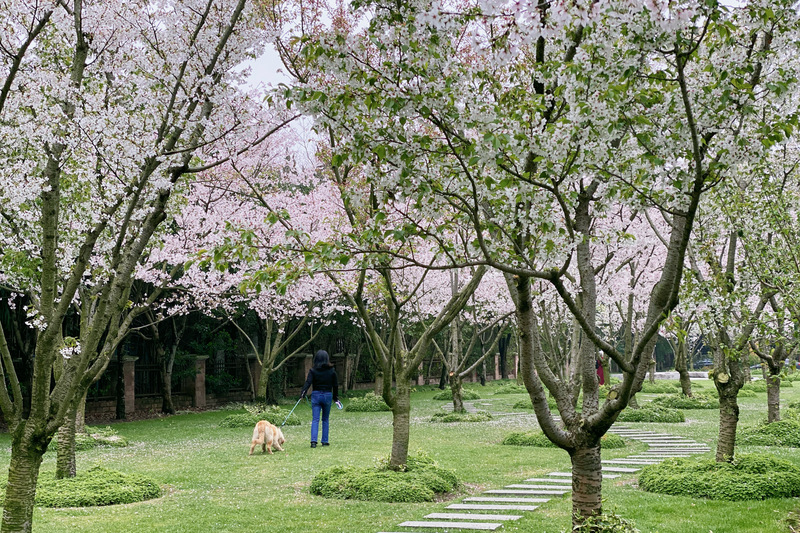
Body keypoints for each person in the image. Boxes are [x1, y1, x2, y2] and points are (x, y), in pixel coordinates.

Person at [300, 350, 341, 448]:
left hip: (316, 395)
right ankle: (325, 441)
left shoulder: (313, 371)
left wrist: (303, 393)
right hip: (327, 395)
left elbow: (308, 382)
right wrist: (335, 398)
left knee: (315, 419)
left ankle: (313, 441)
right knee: (325, 419)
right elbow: (335, 385)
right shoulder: (332, 371)